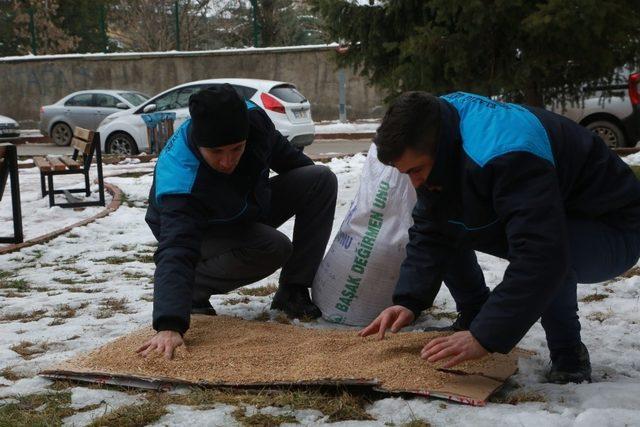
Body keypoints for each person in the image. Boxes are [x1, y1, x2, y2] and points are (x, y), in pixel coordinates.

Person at [360, 91, 640, 383]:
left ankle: (568, 352)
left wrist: (486, 336)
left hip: (613, 228)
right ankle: (473, 313)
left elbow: (541, 255)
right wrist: (409, 300)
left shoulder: (508, 153)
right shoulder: (437, 125)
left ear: (438, 148)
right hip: (554, 210)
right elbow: (432, 227)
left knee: (554, 247)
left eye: (416, 170)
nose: (414, 182)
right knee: (447, 217)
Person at [137, 84, 338, 360]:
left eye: (236, 149)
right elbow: (176, 249)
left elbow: (293, 163)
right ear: (200, 143)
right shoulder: (180, 180)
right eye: (216, 152)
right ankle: (194, 288)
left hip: (241, 207)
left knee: (320, 179)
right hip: (199, 230)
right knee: (273, 246)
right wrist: (169, 323)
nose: (227, 160)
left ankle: (293, 292)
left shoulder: (255, 122)